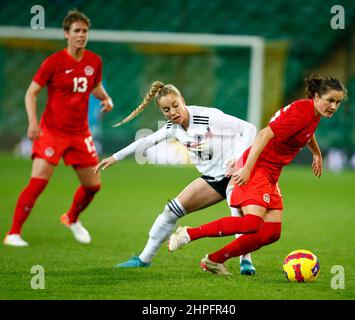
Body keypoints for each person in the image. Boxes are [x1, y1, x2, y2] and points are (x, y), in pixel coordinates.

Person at [168, 75, 347, 275]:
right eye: (330, 100)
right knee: (252, 223)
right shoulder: (302, 112)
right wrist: (246, 168)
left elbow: (306, 131)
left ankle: (214, 260)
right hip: (258, 166)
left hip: (271, 172)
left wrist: (316, 152)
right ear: (316, 96)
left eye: (338, 102)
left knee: (271, 232)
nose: (333, 106)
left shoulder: (311, 112)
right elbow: (263, 134)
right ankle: (188, 234)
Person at [94, 81, 258, 275]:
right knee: (170, 211)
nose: (172, 112)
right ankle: (143, 259)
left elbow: (249, 129)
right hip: (212, 179)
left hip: (236, 172)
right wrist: (115, 157)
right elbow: (146, 141)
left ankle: (245, 261)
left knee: (236, 209)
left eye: (175, 105)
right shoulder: (172, 127)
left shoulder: (209, 116)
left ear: (183, 101)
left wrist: (238, 161)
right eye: (166, 109)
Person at [3, 10, 114, 247]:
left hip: (80, 133)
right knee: (38, 181)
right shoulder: (53, 62)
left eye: (84, 31)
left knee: (93, 186)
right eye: (76, 31)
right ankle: (13, 233)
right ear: (66, 34)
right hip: (52, 131)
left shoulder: (94, 61)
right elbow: (31, 93)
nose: (81, 35)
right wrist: (33, 123)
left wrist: (106, 98)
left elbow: (93, 85)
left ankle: (72, 218)